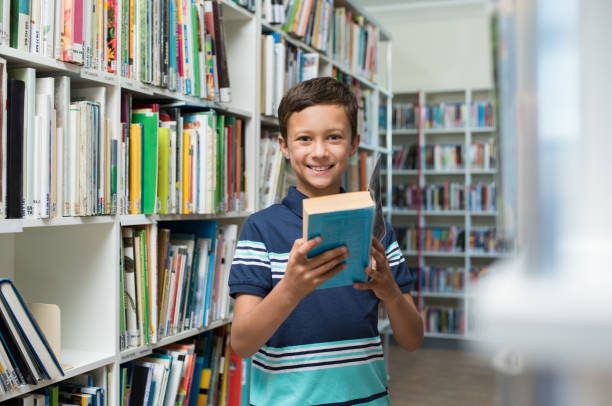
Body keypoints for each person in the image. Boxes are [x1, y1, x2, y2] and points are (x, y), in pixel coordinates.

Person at [229, 77, 423, 405]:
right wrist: (291, 288)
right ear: (284, 146)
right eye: (304, 139)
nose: (319, 152)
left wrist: (389, 290)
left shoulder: (377, 230)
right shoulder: (260, 230)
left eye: (334, 137)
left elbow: (412, 339)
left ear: (353, 143)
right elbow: (242, 342)